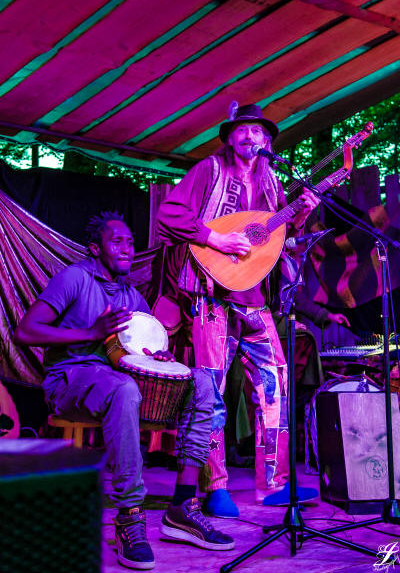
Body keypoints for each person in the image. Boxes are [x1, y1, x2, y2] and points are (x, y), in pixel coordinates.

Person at [15, 212, 234, 571]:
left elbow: (139, 354)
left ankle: (182, 506)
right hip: (71, 378)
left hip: (117, 382)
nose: (127, 248)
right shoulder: (75, 278)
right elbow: (27, 331)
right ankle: (130, 516)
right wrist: (90, 333)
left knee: (202, 382)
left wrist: (157, 357)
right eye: (117, 241)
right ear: (94, 248)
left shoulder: (133, 297)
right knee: (124, 389)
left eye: (131, 242)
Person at [156, 103, 320, 516]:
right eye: (243, 130)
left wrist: (300, 214)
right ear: (230, 137)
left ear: (267, 142)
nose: (251, 138)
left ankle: (273, 484)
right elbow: (170, 214)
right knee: (210, 391)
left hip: (254, 298)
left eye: (258, 133)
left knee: (275, 384)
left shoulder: (271, 181)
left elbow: (277, 233)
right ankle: (214, 488)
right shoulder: (208, 171)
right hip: (210, 295)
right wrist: (216, 239)